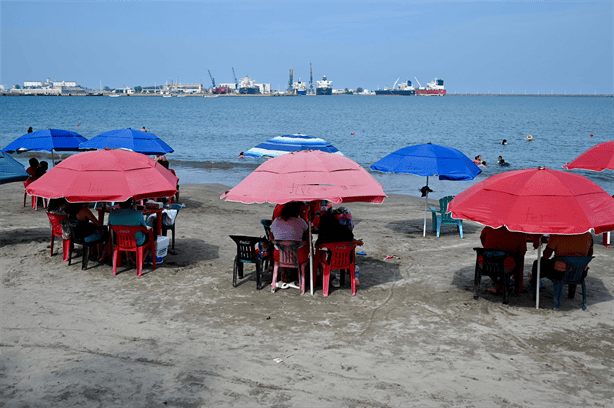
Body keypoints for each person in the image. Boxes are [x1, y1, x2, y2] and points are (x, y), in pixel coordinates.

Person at [270, 201, 309, 285]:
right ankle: (302, 279)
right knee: (307, 248)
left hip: (279, 256)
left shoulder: (276, 221)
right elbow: (308, 236)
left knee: (284, 246)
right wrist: (303, 217)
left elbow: (272, 238)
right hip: (298, 257)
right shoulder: (300, 221)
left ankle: (284, 272)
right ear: (298, 211)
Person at [480, 226, 527, 294]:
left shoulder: (490, 226)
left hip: (485, 264)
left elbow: (482, 237)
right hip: (505, 266)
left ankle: (498, 285)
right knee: (516, 261)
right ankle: (510, 286)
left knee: (500, 261)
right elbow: (522, 253)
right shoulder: (520, 232)